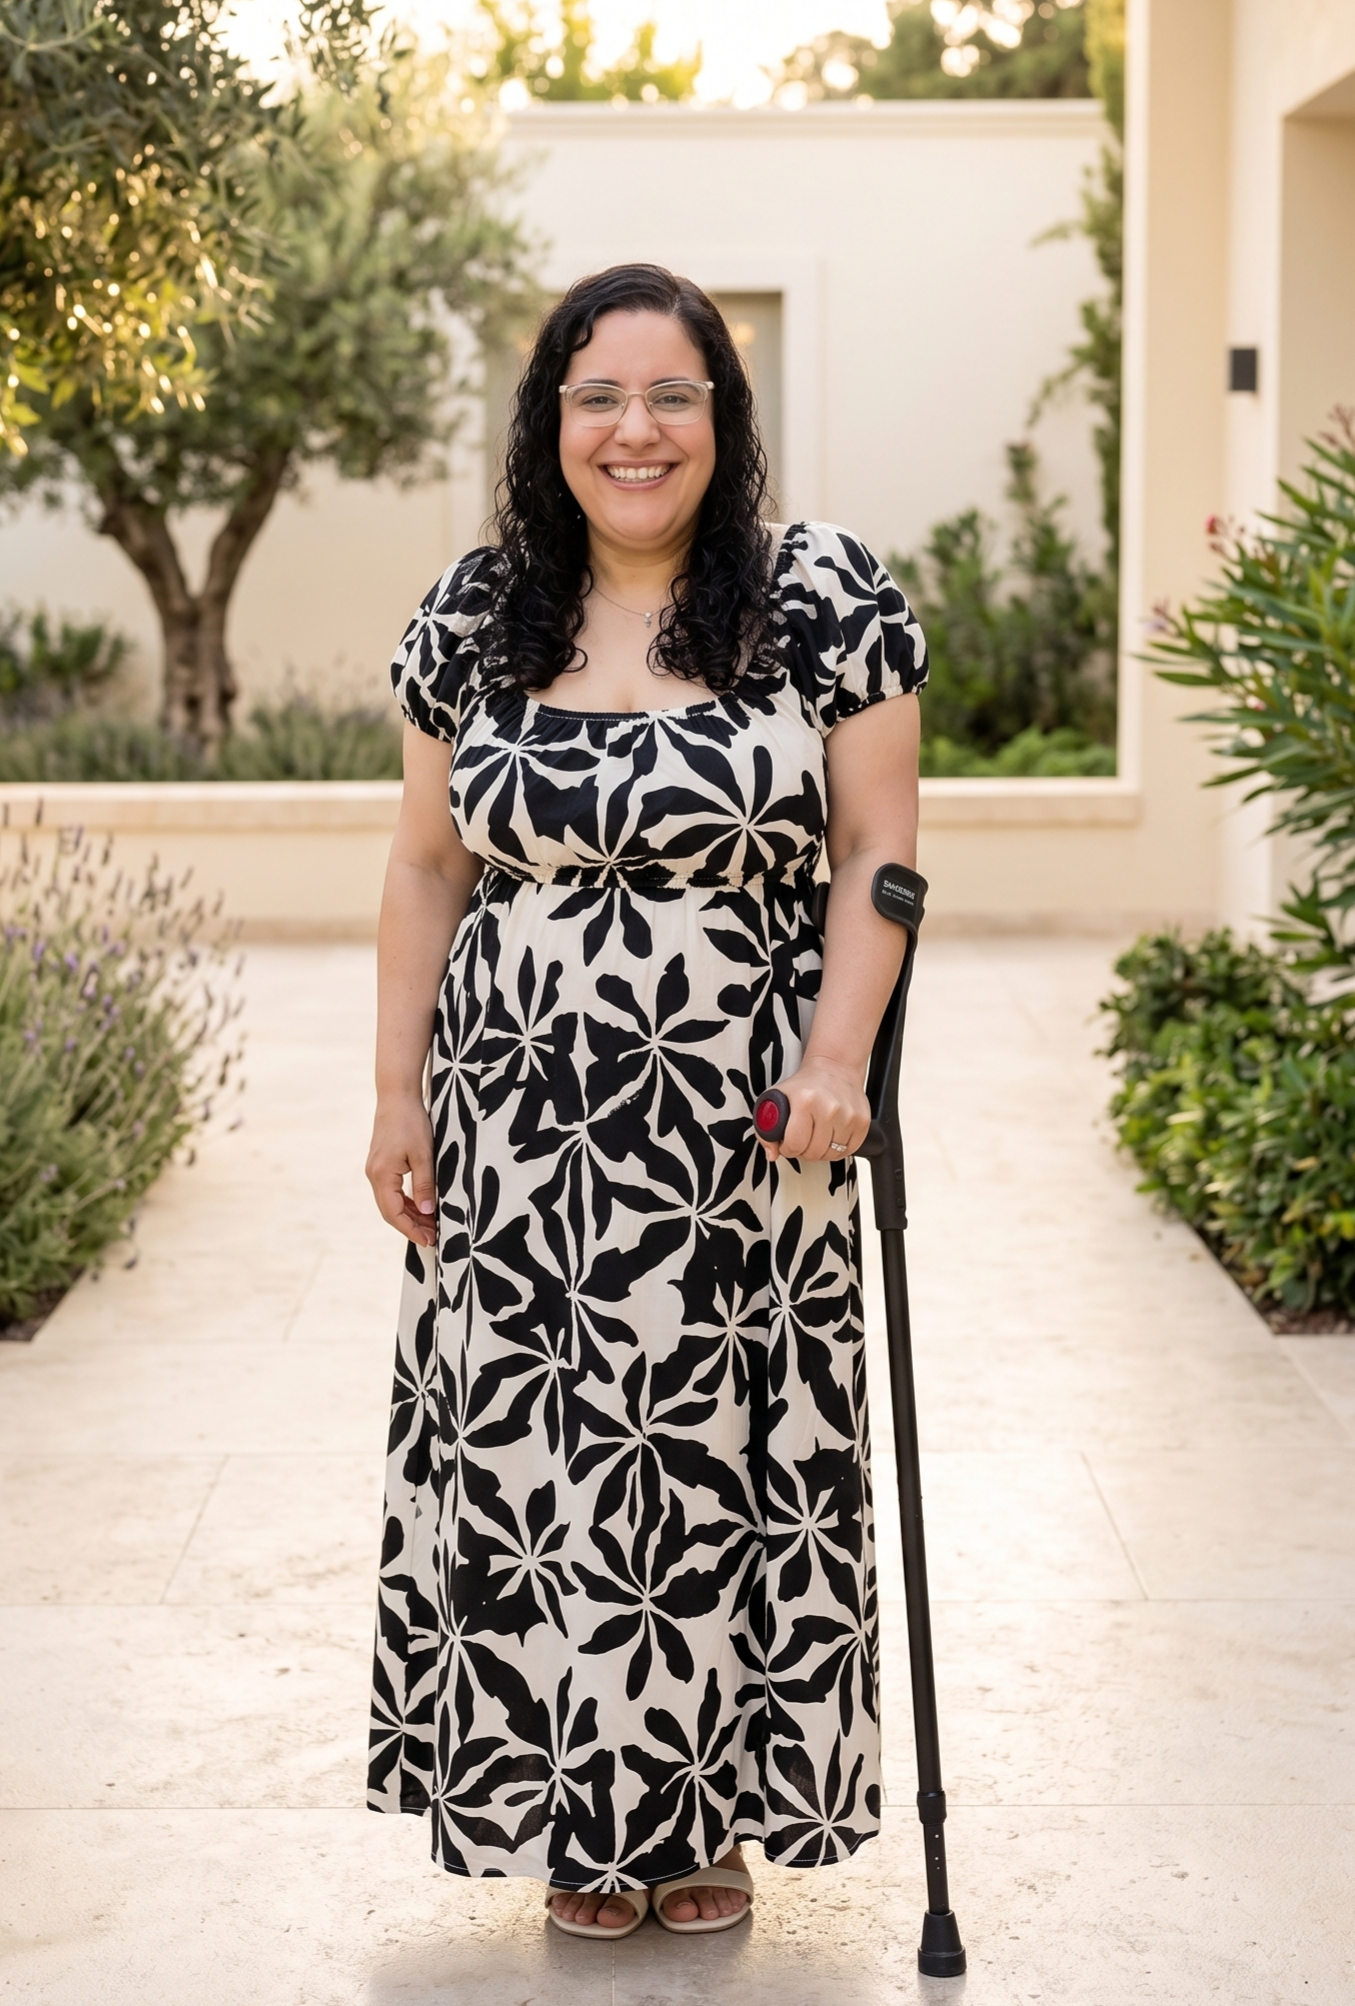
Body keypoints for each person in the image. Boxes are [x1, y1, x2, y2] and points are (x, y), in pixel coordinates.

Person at [365, 261, 924, 1939]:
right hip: (519, 1127)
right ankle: (576, 1817)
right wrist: (395, 1091)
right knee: (547, 1465)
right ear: (551, 423)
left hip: (744, 1129)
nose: (635, 428)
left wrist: (838, 1054)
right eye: (599, 395)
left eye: (673, 395)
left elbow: (878, 850)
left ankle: (709, 1814)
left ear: (722, 421)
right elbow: (420, 865)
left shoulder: (824, 597)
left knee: (722, 1458)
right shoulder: (475, 612)